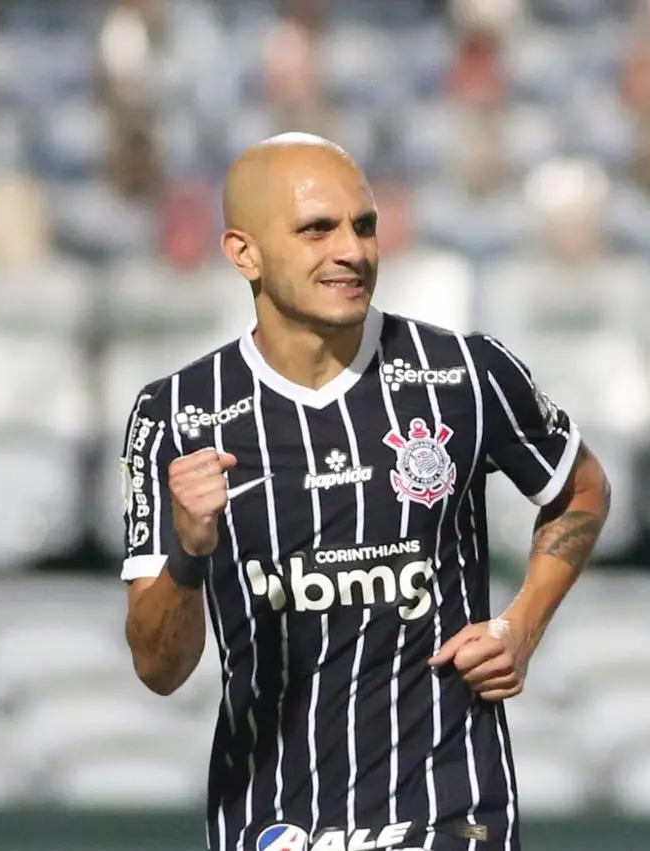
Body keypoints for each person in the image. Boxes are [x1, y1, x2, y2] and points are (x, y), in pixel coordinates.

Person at [118, 133, 612, 851]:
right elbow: (158, 667)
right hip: (274, 818)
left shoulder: (465, 373)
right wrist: (191, 552)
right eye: (317, 229)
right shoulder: (176, 413)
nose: (351, 249)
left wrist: (522, 625)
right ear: (242, 252)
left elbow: (581, 487)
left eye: (364, 225)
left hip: (450, 810)